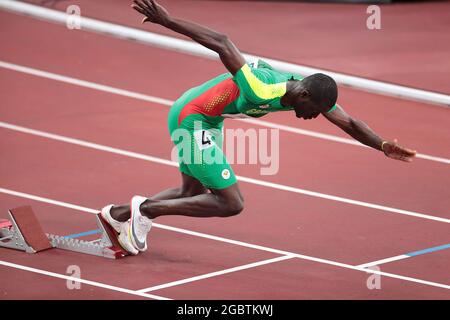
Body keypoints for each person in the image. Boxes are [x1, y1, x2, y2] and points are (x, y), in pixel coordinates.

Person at [101, 0, 417, 255]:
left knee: (190, 191)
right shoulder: (262, 88)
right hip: (191, 118)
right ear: (304, 94)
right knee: (230, 202)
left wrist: (382, 145)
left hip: (208, 120)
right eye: (315, 111)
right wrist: (167, 21)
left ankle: (116, 215)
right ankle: (146, 210)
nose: (315, 116)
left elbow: (348, 122)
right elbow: (222, 43)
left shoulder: (306, 92)